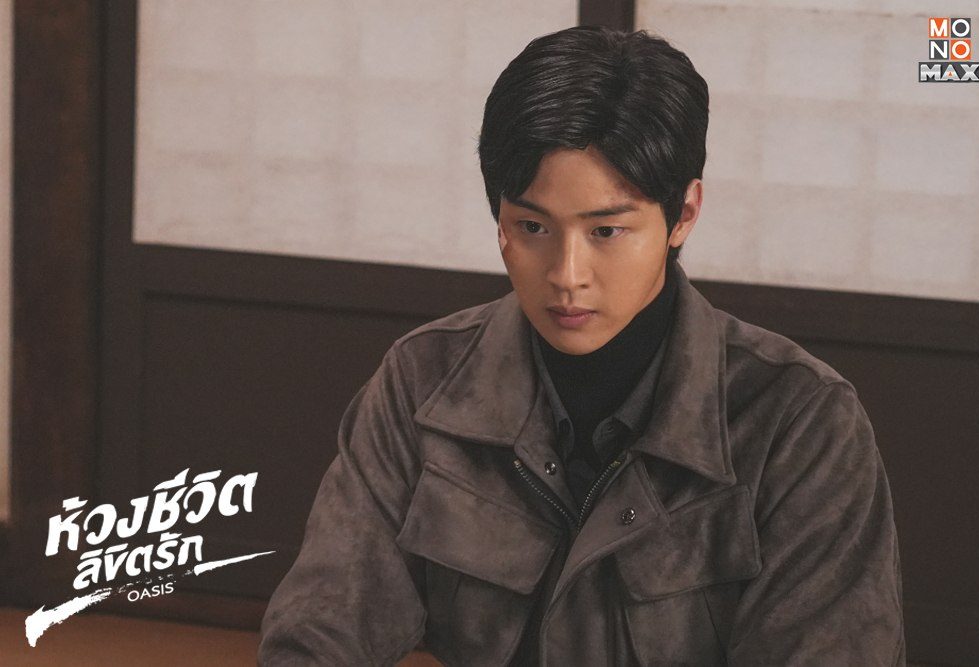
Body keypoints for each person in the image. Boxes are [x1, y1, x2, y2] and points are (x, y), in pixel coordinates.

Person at [258, 26, 905, 665]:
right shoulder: (423, 381)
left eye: (606, 231)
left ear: (683, 215)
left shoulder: (800, 420)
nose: (567, 275)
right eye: (532, 226)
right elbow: (322, 623)